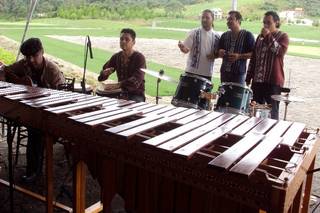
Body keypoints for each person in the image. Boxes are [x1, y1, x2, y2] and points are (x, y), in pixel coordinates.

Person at [3, 37, 65, 182]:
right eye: (27, 56)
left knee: (36, 130)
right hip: (34, 112)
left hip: (54, 112)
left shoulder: (52, 70)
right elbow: (8, 70)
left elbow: (62, 98)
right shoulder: (24, 65)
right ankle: (33, 169)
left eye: (34, 56)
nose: (31, 60)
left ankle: (33, 171)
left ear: (42, 52)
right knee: (33, 126)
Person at [246, 11, 289, 120]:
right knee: (254, 110)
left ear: (276, 22)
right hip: (258, 81)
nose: (265, 25)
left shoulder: (283, 36)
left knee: (272, 112)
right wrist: (248, 77)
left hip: (273, 82)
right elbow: (254, 58)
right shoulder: (259, 38)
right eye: (264, 22)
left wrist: (268, 36)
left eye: (268, 23)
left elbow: (279, 51)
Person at [98, 28, 146, 102]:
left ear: (133, 42)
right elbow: (101, 77)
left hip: (136, 95)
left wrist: (117, 85)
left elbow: (136, 81)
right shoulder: (116, 56)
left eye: (127, 39)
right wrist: (104, 73)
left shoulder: (139, 58)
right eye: (121, 39)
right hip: (120, 93)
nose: (123, 41)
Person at [178, 9, 220, 81]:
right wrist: (182, 48)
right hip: (191, 72)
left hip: (207, 74)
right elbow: (186, 50)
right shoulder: (194, 32)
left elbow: (218, 54)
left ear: (212, 19)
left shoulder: (217, 36)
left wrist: (215, 55)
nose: (204, 19)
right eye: (202, 17)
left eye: (207, 18)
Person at [218, 11, 255, 84]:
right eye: (227, 19)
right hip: (224, 73)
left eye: (231, 19)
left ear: (238, 21)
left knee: (236, 95)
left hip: (238, 74)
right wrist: (220, 52)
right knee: (223, 94)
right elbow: (218, 51)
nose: (228, 21)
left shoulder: (247, 35)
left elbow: (254, 54)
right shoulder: (224, 35)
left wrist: (239, 56)